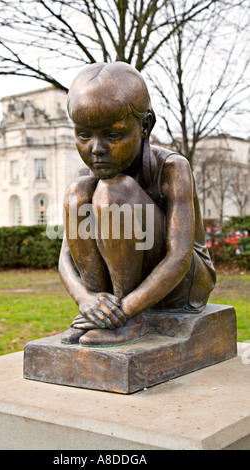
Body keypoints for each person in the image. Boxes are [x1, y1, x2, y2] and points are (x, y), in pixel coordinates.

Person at [58, 62, 216, 347]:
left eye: (113, 135)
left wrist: (125, 312)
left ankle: (126, 321)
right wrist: (86, 300)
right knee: (76, 192)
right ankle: (100, 313)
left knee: (115, 192)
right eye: (84, 135)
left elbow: (179, 257)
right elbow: (65, 257)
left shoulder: (172, 168)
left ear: (145, 126)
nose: (96, 148)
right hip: (115, 297)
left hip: (185, 282)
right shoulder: (84, 177)